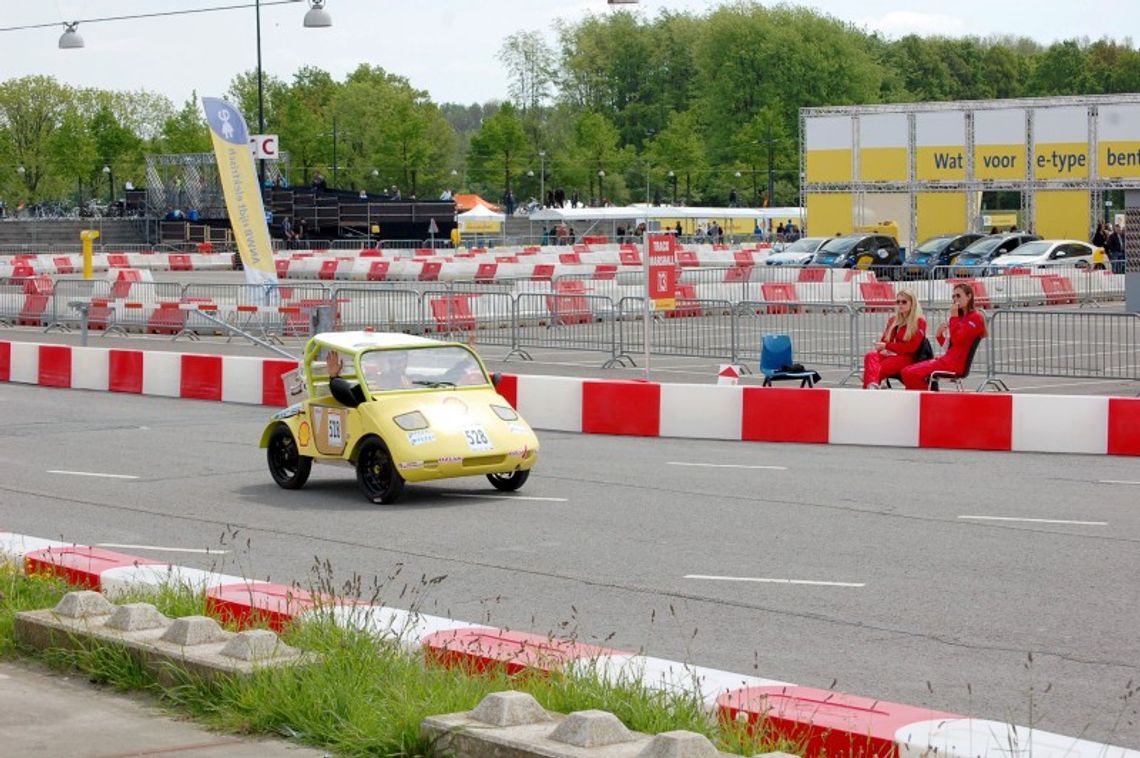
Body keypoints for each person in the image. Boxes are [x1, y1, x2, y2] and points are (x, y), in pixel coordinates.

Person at [901, 283, 986, 390]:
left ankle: (927, 399)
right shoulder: (961, 317)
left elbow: (958, 340)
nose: (955, 299)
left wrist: (953, 318)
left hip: (955, 364)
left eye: (958, 296)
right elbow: (951, 346)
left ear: (969, 296)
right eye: (953, 296)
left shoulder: (975, 318)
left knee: (911, 373)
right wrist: (939, 336)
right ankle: (923, 398)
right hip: (948, 359)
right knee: (906, 371)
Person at [863, 290, 927, 389]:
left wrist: (887, 346)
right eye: (898, 302)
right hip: (892, 355)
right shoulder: (893, 320)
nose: (900, 304)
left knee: (877, 369)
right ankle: (872, 386)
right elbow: (884, 341)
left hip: (908, 357)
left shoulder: (919, 321)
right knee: (870, 356)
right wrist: (883, 348)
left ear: (912, 303)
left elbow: (911, 348)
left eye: (904, 302)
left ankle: (869, 388)